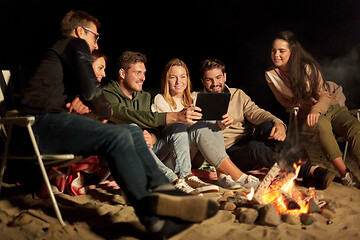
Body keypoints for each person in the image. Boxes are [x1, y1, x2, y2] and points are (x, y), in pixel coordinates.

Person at [17, 10, 218, 237]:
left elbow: (75, 94)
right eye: (95, 37)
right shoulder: (74, 43)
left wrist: (83, 102)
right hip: (38, 127)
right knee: (118, 135)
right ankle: (152, 214)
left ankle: (167, 196)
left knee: (129, 133)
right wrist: (101, 108)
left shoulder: (57, 56)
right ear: (80, 31)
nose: (95, 45)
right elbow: (93, 92)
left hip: (53, 123)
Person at [197, 58, 336, 189]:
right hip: (230, 153)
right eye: (209, 80)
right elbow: (196, 133)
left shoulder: (237, 94)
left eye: (218, 77)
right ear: (203, 81)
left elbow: (257, 113)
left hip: (247, 138)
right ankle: (309, 170)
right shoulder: (196, 99)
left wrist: (279, 123)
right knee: (254, 147)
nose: (215, 83)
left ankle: (306, 172)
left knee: (267, 126)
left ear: (225, 77)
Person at [103, 51, 219, 195]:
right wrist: (174, 116)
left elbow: (153, 128)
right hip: (124, 155)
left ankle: (186, 176)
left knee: (177, 127)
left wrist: (152, 137)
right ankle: (172, 181)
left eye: (144, 73)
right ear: (122, 73)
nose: (143, 78)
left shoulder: (143, 97)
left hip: (149, 152)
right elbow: (126, 114)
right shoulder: (106, 94)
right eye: (138, 73)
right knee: (132, 129)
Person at [265, 31, 360, 188]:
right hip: (309, 113)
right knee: (322, 127)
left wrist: (316, 108)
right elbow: (284, 101)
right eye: (274, 51)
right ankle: (345, 174)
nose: (276, 54)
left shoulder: (307, 68)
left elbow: (324, 93)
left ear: (292, 51)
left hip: (331, 107)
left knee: (354, 128)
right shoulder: (271, 75)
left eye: (282, 51)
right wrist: (304, 104)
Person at [151, 58, 260, 189]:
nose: (178, 81)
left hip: (190, 158)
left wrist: (221, 124)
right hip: (169, 157)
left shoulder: (192, 99)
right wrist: (184, 117)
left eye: (182, 76)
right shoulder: (160, 99)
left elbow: (203, 131)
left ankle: (222, 175)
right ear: (166, 80)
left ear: (187, 78)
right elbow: (172, 131)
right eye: (173, 77)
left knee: (212, 120)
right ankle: (239, 176)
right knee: (186, 127)